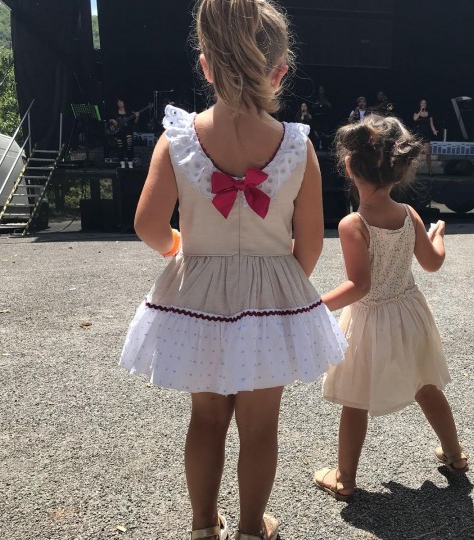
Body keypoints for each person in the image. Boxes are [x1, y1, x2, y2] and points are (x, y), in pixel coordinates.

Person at [118, 1, 347, 539]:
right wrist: (284, 287)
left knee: (207, 418)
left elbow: (148, 225)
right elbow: (310, 244)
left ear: (205, 66)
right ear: (280, 72)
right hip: (271, 297)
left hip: (200, 298)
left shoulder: (179, 141)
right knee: (261, 425)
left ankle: (202, 526)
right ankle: (249, 528)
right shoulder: (297, 147)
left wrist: (182, 249)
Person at [312, 115, 468, 502]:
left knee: (355, 397)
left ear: (349, 167)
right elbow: (432, 264)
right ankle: (455, 455)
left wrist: (314, 306)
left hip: (370, 319)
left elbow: (359, 285)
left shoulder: (354, 223)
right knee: (426, 383)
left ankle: (344, 479)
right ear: (399, 172)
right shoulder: (408, 215)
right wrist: (439, 235)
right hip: (410, 312)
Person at [108, 98, 140, 168]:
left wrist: (137, 117)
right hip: (118, 133)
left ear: (124, 102)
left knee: (129, 147)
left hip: (128, 132)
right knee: (120, 148)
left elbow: (135, 122)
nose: (119, 103)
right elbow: (110, 121)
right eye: (118, 102)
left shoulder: (129, 113)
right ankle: (122, 163)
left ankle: (130, 163)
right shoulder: (115, 113)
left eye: (120, 101)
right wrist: (112, 120)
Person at [412, 99, 438, 175]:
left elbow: (431, 124)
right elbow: (415, 119)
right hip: (419, 134)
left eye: (425, 103)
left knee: (428, 153)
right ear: (420, 104)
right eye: (422, 103)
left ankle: (430, 170)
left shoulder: (429, 113)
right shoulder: (417, 112)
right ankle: (414, 171)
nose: (423, 104)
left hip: (426, 134)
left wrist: (434, 131)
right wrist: (420, 110)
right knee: (417, 153)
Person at [311, 85, 332, 150]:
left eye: (322, 90)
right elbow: (312, 106)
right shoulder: (316, 98)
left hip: (325, 117)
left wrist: (325, 102)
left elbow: (330, 106)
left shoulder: (327, 97)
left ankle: (327, 146)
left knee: (325, 132)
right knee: (317, 132)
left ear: (324, 91)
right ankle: (316, 146)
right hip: (317, 117)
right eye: (320, 90)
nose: (321, 91)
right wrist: (317, 104)